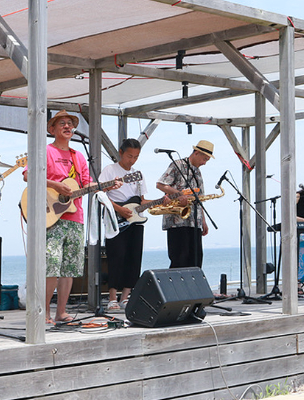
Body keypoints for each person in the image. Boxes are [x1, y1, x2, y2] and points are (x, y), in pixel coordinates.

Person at [23, 110, 120, 324]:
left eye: (70, 123)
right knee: (51, 265)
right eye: (62, 123)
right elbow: (28, 175)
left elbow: (86, 184)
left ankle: (61, 312)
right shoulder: (45, 151)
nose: (67, 126)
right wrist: (55, 185)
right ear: (52, 129)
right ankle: (44, 313)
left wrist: (107, 185)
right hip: (51, 217)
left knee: (69, 267)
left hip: (75, 217)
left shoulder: (78, 156)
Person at [98, 138, 152, 311]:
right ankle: (112, 297)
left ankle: (126, 297)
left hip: (136, 219)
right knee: (116, 256)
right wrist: (119, 209)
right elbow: (100, 195)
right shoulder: (110, 170)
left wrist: (160, 201)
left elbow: (142, 200)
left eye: (136, 157)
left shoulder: (138, 174)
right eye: (130, 156)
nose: (132, 160)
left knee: (134, 257)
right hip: (116, 218)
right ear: (121, 153)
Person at [156, 140, 214, 269]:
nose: (204, 163)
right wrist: (179, 194)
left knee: (196, 260)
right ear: (196, 153)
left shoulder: (198, 172)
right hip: (177, 221)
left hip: (194, 221)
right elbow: (160, 184)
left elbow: (200, 199)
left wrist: (203, 221)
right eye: (204, 159)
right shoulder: (177, 165)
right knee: (179, 259)